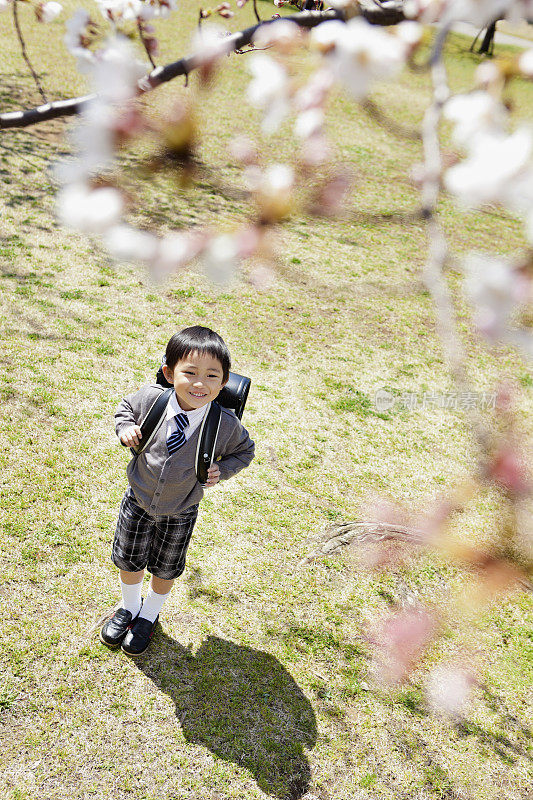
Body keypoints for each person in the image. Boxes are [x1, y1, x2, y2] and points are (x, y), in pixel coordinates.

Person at [100, 326, 255, 656]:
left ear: (225, 381)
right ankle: (128, 607)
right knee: (129, 558)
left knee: (166, 567)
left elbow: (246, 451)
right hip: (138, 499)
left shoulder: (225, 424)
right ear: (170, 374)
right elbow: (125, 408)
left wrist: (222, 469)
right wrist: (125, 427)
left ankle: (149, 615)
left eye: (212, 375)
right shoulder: (152, 399)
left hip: (181, 508)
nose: (200, 384)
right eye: (190, 373)